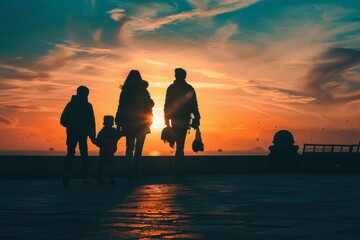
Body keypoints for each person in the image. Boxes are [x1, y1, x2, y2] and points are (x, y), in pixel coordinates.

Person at [115, 70, 154, 179]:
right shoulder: (144, 91)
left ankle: (128, 169)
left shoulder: (125, 91)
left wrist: (118, 121)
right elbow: (149, 105)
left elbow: (121, 106)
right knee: (139, 148)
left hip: (129, 122)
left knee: (129, 147)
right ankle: (137, 170)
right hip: (142, 122)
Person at [164, 68, 201, 175]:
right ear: (184, 76)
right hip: (184, 118)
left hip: (175, 118)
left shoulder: (171, 88)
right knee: (181, 144)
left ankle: (177, 168)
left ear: (176, 76)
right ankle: (179, 168)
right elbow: (194, 105)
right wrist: (197, 117)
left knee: (178, 143)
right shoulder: (189, 88)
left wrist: (166, 119)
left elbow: (167, 105)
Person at [60, 86, 96, 185]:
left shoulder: (70, 105)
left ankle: (66, 174)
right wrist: (92, 135)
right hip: (83, 134)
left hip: (71, 133)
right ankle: (86, 176)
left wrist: (70, 125)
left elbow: (63, 120)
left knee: (70, 153)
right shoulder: (88, 106)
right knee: (84, 154)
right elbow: (91, 122)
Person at [94, 115, 122, 185]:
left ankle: (100, 179)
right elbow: (119, 135)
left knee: (100, 166)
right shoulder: (114, 132)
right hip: (111, 152)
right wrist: (119, 127)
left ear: (104, 122)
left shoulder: (102, 132)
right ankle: (112, 178)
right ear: (112, 123)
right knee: (112, 166)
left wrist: (99, 144)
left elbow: (97, 142)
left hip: (102, 152)